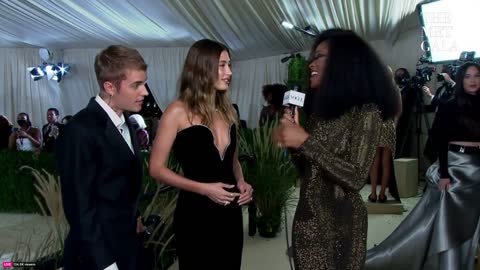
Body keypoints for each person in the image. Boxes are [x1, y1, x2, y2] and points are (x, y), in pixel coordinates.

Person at [273, 29, 400, 270]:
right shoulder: (322, 113)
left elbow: (355, 177)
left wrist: (305, 141)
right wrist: (294, 144)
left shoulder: (366, 111)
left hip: (342, 228)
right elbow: (307, 171)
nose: (311, 63)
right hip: (307, 222)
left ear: (342, 63)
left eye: (319, 56)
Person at [149, 39, 253, 270]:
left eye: (229, 65)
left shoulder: (230, 110)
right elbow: (156, 168)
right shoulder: (177, 111)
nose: (229, 72)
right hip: (195, 215)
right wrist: (204, 188)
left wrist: (242, 182)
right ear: (202, 68)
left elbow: (233, 161)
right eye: (222, 65)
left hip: (229, 214)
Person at [365, 62, 480, 270]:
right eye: (468, 76)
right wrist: (444, 172)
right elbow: (439, 139)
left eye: (477, 76)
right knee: (449, 223)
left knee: (469, 224)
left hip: (477, 170)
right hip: (455, 168)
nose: (473, 80)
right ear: (461, 80)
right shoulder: (450, 105)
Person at [55, 45, 149, 270]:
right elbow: (79, 209)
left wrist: (134, 217)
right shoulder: (80, 130)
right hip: (97, 257)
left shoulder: (127, 120)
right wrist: (106, 264)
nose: (145, 91)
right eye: (136, 85)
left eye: (144, 83)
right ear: (109, 86)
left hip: (127, 247)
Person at [368, 66, 402, 203]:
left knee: (374, 161)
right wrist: (393, 126)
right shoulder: (395, 90)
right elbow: (399, 113)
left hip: (375, 126)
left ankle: (373, 193)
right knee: (386, 162)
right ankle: (382, 194)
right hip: (389, 126)